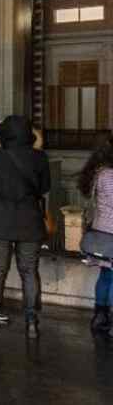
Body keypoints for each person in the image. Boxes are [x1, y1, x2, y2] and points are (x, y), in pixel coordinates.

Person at [0, 115, 51, 338]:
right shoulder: (39, 157)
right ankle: (31, 322)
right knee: (29, 271)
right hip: (29, 222)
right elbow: (44, 188)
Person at [78, 135, 113, 337]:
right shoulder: (110, 175)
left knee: (106, 275)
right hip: (111, 233)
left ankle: (100, 316)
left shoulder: (99, 173)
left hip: (100, 231)